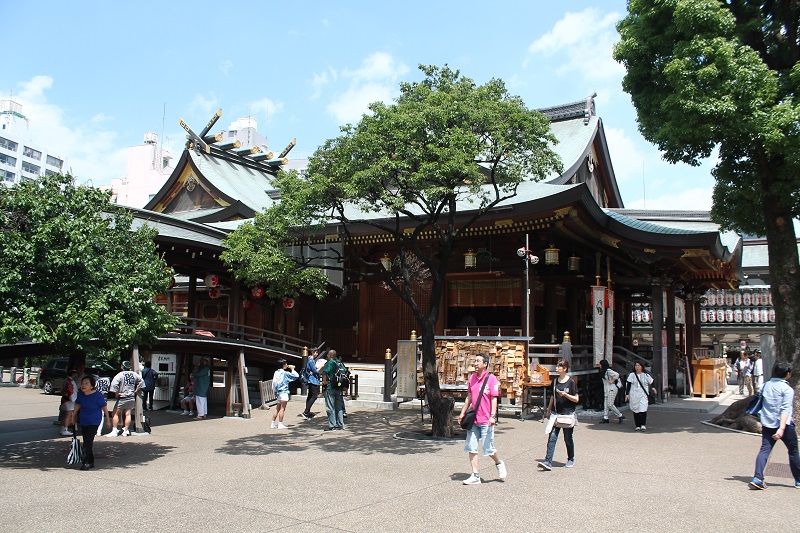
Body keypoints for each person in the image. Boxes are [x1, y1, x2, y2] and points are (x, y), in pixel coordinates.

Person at [750, 360, 800, 490]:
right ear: (788, 374)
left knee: (764, 450)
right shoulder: (787, 389)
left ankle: (758, 477)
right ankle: (798, 480)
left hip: (767, 423)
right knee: (793, 451)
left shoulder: (766, 385)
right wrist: (782, 428)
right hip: (784, 426)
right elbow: (785, 409)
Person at [458, 353, 507, 484]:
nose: (475, 363)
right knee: (471, 447)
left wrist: (492, 416)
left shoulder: (491, 379)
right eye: (474, 361)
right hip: (474, 419)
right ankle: (475, 475)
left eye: (478, 361)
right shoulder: (472, 378)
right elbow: (469, 397)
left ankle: (498, 462)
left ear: (485, 364)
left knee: (488, 448)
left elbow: (494, 398)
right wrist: (463, 412)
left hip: (486, 419)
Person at [538, 358, 579, 470]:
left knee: (568, 438)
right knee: (552, 437)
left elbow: (576, 399)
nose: (556, 368)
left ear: (564, 368)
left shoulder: (571, 382)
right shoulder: (555, 381)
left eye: (559, 367)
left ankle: (571, 459)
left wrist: (566, 395)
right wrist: (548, 409)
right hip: (556, 414)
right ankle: (548, 461)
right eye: (556, 366)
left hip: (567, 414)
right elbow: (552, 397)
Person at [74, 375, 111, 469]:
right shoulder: (80, 394)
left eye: (86, 383)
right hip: (84, 420)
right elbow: (78, 404)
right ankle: (91, 461)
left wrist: (107, 419)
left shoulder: (97, 395)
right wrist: (73, 415)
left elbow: (104, 407)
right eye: (82, 383)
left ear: (92, 386)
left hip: (94, 420)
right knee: (86, 441)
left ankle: (86, 462)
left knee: (88, 441)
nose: (83, 385)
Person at [108, 361, 144, 437]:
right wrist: (137, 389)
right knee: (128, 414)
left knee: (115, 413)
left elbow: (114, 384)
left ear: (122, 367)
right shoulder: (134, 374)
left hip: (122, 396)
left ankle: (114, 430)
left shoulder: (120, 375)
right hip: (131, 396)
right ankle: (126, 430)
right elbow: (141, 381)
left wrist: (116, 393)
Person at [625, 361, 656, 431]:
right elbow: (629, 384)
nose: (637, 367)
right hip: (634, 394)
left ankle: (643, 425)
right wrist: (627, 394)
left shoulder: (646, 375)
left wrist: (653, 388)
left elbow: (652, 382)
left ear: (642, 367)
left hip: (643, 394)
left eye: (639, 365)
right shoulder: (632, 375)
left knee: (643, 409)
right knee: (635, 410)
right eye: (636, 365)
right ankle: (637, 425)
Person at [271, 359, 299, 429]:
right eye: (285, 364)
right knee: (282, 409)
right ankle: (280, 424)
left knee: (277, 408)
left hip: (278, 392)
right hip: (284, 392)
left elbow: (274, 383)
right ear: (283, 364)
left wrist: (274, 390)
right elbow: (296, 376)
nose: (286, 365)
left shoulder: (276, 372)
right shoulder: (285, 373)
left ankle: (272, 423)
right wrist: (292, 369)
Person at [321, 350, 345, 431]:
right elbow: (346, 371)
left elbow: (324, 372)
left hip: (330, 387)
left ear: (330, 355)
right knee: (339, 407)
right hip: (338, 387)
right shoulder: (339, 363)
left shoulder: (330, 363)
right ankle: (340, 424)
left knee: (330, 407)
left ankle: (332, 425)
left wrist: (324, 382)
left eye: (327, 354)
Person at [598, 359, 625, 424]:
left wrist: (613, 380)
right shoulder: (603, 371)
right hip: (607, 388)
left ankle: (620, 415)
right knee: (606, 404)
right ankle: (605, 417)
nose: (599, 365)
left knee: (610, 403)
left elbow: (617, 374)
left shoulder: (608, 371)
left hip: (612, 388)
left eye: (600, 364)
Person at [300, 350, 321, 420]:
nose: (317, 354)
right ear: (313, 352)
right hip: (313, 380)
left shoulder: (310, 360)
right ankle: (306, 412)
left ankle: (307, 411)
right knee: (314, 396)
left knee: (310, 396)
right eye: (316, 352)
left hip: (310, 380)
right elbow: (315, 371)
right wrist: (321, 367)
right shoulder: (311, 361)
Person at [59, 369, 80, 436]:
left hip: (64, 399)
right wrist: (74, 400)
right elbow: (71, 392)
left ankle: (62, 429)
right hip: (69, 400)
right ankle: (65, 429)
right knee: (67, 415)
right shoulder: (70, 381)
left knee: (64, 416)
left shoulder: (66, 380)